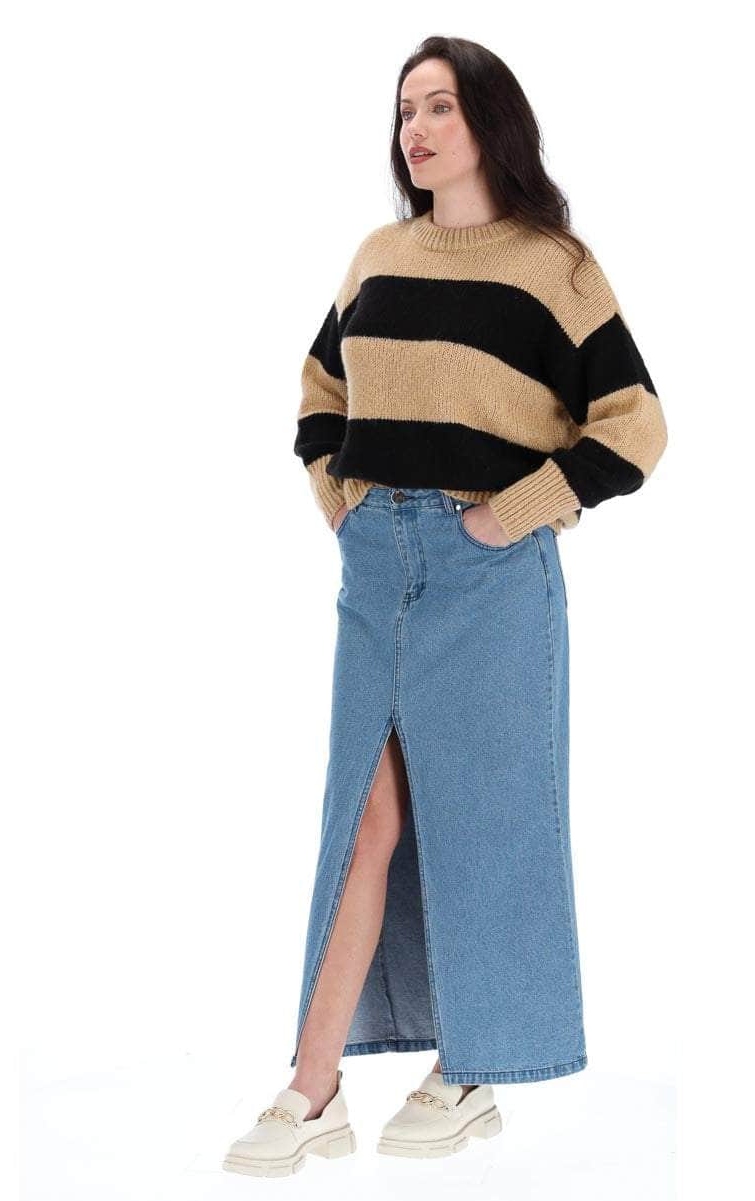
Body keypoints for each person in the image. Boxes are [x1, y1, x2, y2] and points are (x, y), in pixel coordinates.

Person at [223, 34, 668, 1178]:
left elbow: (632, 426)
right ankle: (311, 1087)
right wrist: (338, 501)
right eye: (403, 110)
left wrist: (506, 519)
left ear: (487, 122)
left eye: (437, 107)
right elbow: (319, 391)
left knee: (483, 817)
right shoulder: (377, 255)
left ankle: (469, 1070)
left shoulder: (553, 267)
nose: (413, 130)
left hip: (488, 576)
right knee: (360, 822)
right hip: (374, 565)